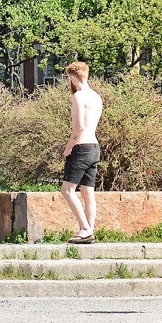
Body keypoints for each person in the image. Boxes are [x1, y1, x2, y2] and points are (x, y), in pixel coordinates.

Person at [59, 60, 102, 244]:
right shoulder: (96, 97)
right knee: (88, 192)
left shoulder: (78, 96)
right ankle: (89, 230)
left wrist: (68, 147)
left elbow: (78, 127)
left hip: (81, 147)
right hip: (94, 147)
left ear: (72, 77)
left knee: (67, 190)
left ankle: (84, 229)